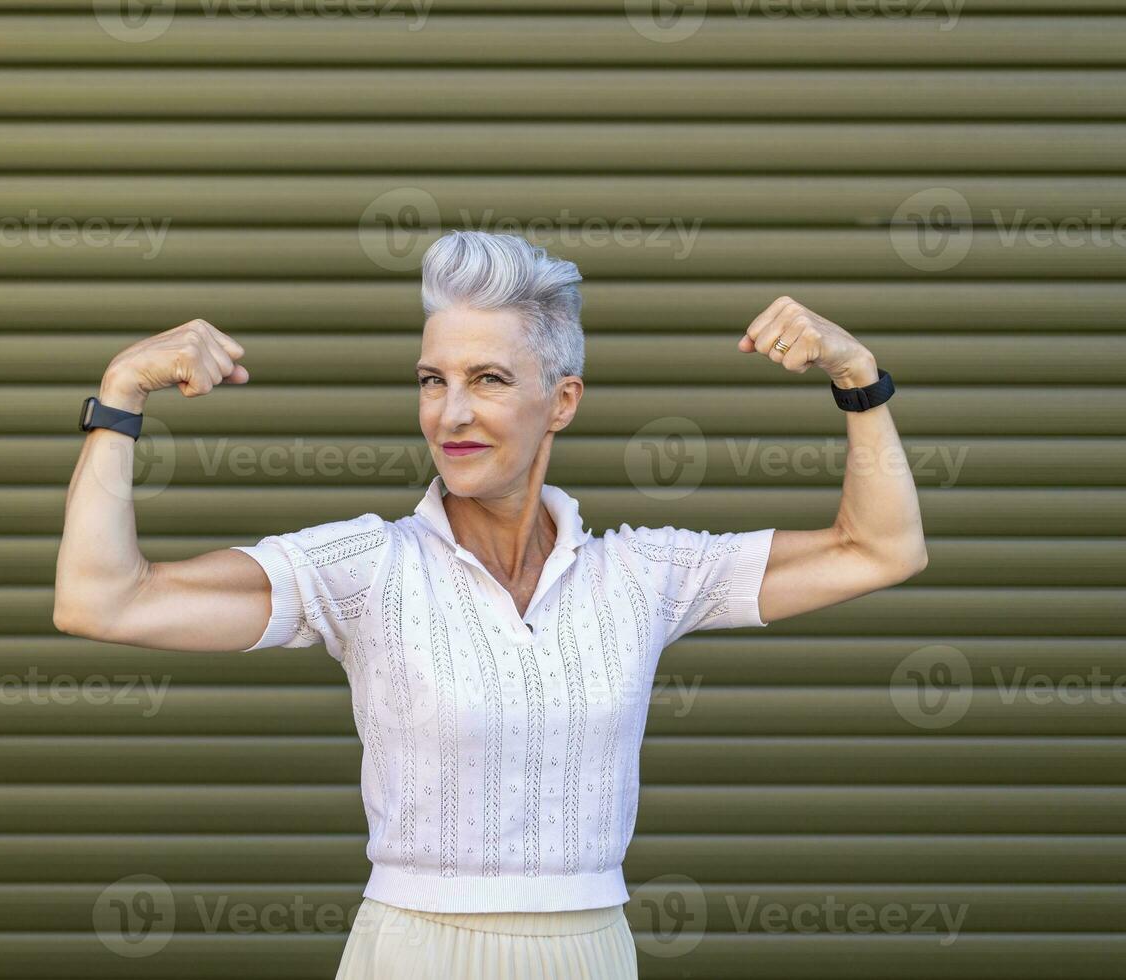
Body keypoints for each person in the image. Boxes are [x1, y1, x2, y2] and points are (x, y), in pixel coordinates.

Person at [53, 230, 928, 978]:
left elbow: (879, 549)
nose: (451, 414)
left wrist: (857, 378)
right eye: (432, 380)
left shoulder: (642, 575)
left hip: (592, 951)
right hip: (412, 953)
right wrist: (121, 395)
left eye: (490, 380)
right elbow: (104, 601)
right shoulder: (367, 567)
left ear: (563, 402)